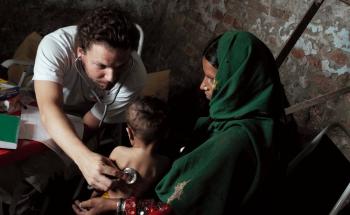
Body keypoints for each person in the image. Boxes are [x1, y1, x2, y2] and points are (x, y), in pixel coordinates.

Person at [73, 29, 292, 215]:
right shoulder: (248, 119)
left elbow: (172, 211)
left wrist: (114, 205)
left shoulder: (234, 142)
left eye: (212, 78)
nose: (202, 85)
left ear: (240, 82)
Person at [33, 6, 147, 191]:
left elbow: (89, 124)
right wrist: (83, 158)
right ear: (80, 53)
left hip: (84, 118)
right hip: (49, 106)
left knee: (44, 161)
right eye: (101, 66)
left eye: (120, 66)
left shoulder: (136, 77)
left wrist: (80, 155)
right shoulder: (55, 45)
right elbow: (49, 108)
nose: (111, 77)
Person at [73, 96, 171, 214]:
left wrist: (92, 198)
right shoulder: (164, 163)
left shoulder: (119, 152)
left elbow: (102, 182)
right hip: (131, 210)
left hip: (105, 204)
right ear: (165, 134)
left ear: (129, 133)